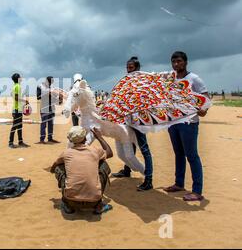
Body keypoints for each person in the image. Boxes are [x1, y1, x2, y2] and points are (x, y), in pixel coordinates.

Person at [163, 51, 210, 201]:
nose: (176, 64)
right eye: (173, 62)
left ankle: (197, 191)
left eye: (179, 61)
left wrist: (203, 110)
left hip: (189, 123)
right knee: (178, 154)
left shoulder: (194, 78)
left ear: (185, 62)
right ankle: (179, 183)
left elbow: (206, 97)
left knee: (192, 155)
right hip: (173, 123)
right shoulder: (171, 79)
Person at [112, 56, 154, 191]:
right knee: (129, 146)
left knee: (144, 149)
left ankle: (149, 179)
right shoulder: (126, 83)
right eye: (127, 68)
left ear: (137, 68)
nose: (128, 71)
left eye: (131, 68)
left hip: (140, 122)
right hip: (128, 120)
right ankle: (127, 170)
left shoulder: (144, 83)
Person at [50, 126, 113, 215]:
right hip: (94, 201)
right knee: (104, 165)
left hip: (71, 200)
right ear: (85, 138)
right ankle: (99, 206)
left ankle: (67, 205)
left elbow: (53, 168)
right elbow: (109, 153)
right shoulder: (95, 150)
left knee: (58, 167)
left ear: (71, 140)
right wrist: (99, 137)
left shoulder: (66, 153)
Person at [8, 73, 30, 149]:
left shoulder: (14, 86)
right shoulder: (17, 86)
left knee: (20, 126)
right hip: (17, 109)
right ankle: (10, 143)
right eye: (20, 77)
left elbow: (12, 95)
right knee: (15, 126)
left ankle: (20, 142)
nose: (21, 78)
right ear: (18, 79)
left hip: (17, 109)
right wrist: (25, 101)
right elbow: (16, 98)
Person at [36, 76, 60, 144]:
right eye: (51, 80)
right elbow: (38, 97)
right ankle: (42, 140)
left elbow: (54, 98)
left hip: (52, 108)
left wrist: (58, 98)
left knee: (51, 124)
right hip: (44, 108)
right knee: (44, 124)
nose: (52, 82)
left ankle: (50, 138)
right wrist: (47, 93)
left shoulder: (52, 88)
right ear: (47, 80)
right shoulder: (40, 86)